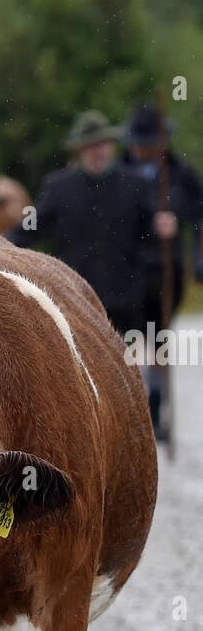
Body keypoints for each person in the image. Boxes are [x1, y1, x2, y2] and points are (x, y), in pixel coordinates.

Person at [8, 111, 177, 411]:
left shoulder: (135, 185)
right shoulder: (59, 187)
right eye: (91, 146)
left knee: (123, 371)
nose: (99, 151)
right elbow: (32, 226)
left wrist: (163, 226)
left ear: (111, 146)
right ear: (80, 150)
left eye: (103, 144)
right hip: (76, 296)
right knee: (80, 370)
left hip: (124, 297)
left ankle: (137, 418)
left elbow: (152, 232)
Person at [121, 101, 203, 436]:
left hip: (167, 269)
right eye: (138, 142)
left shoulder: (181, 175)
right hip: (127, 271)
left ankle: (155, 405)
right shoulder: (119, 174)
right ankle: (129, 403)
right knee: (126, 339)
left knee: (159, 339)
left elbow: (199, 218)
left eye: (148, 143)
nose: (141, 149)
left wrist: (195, 254)